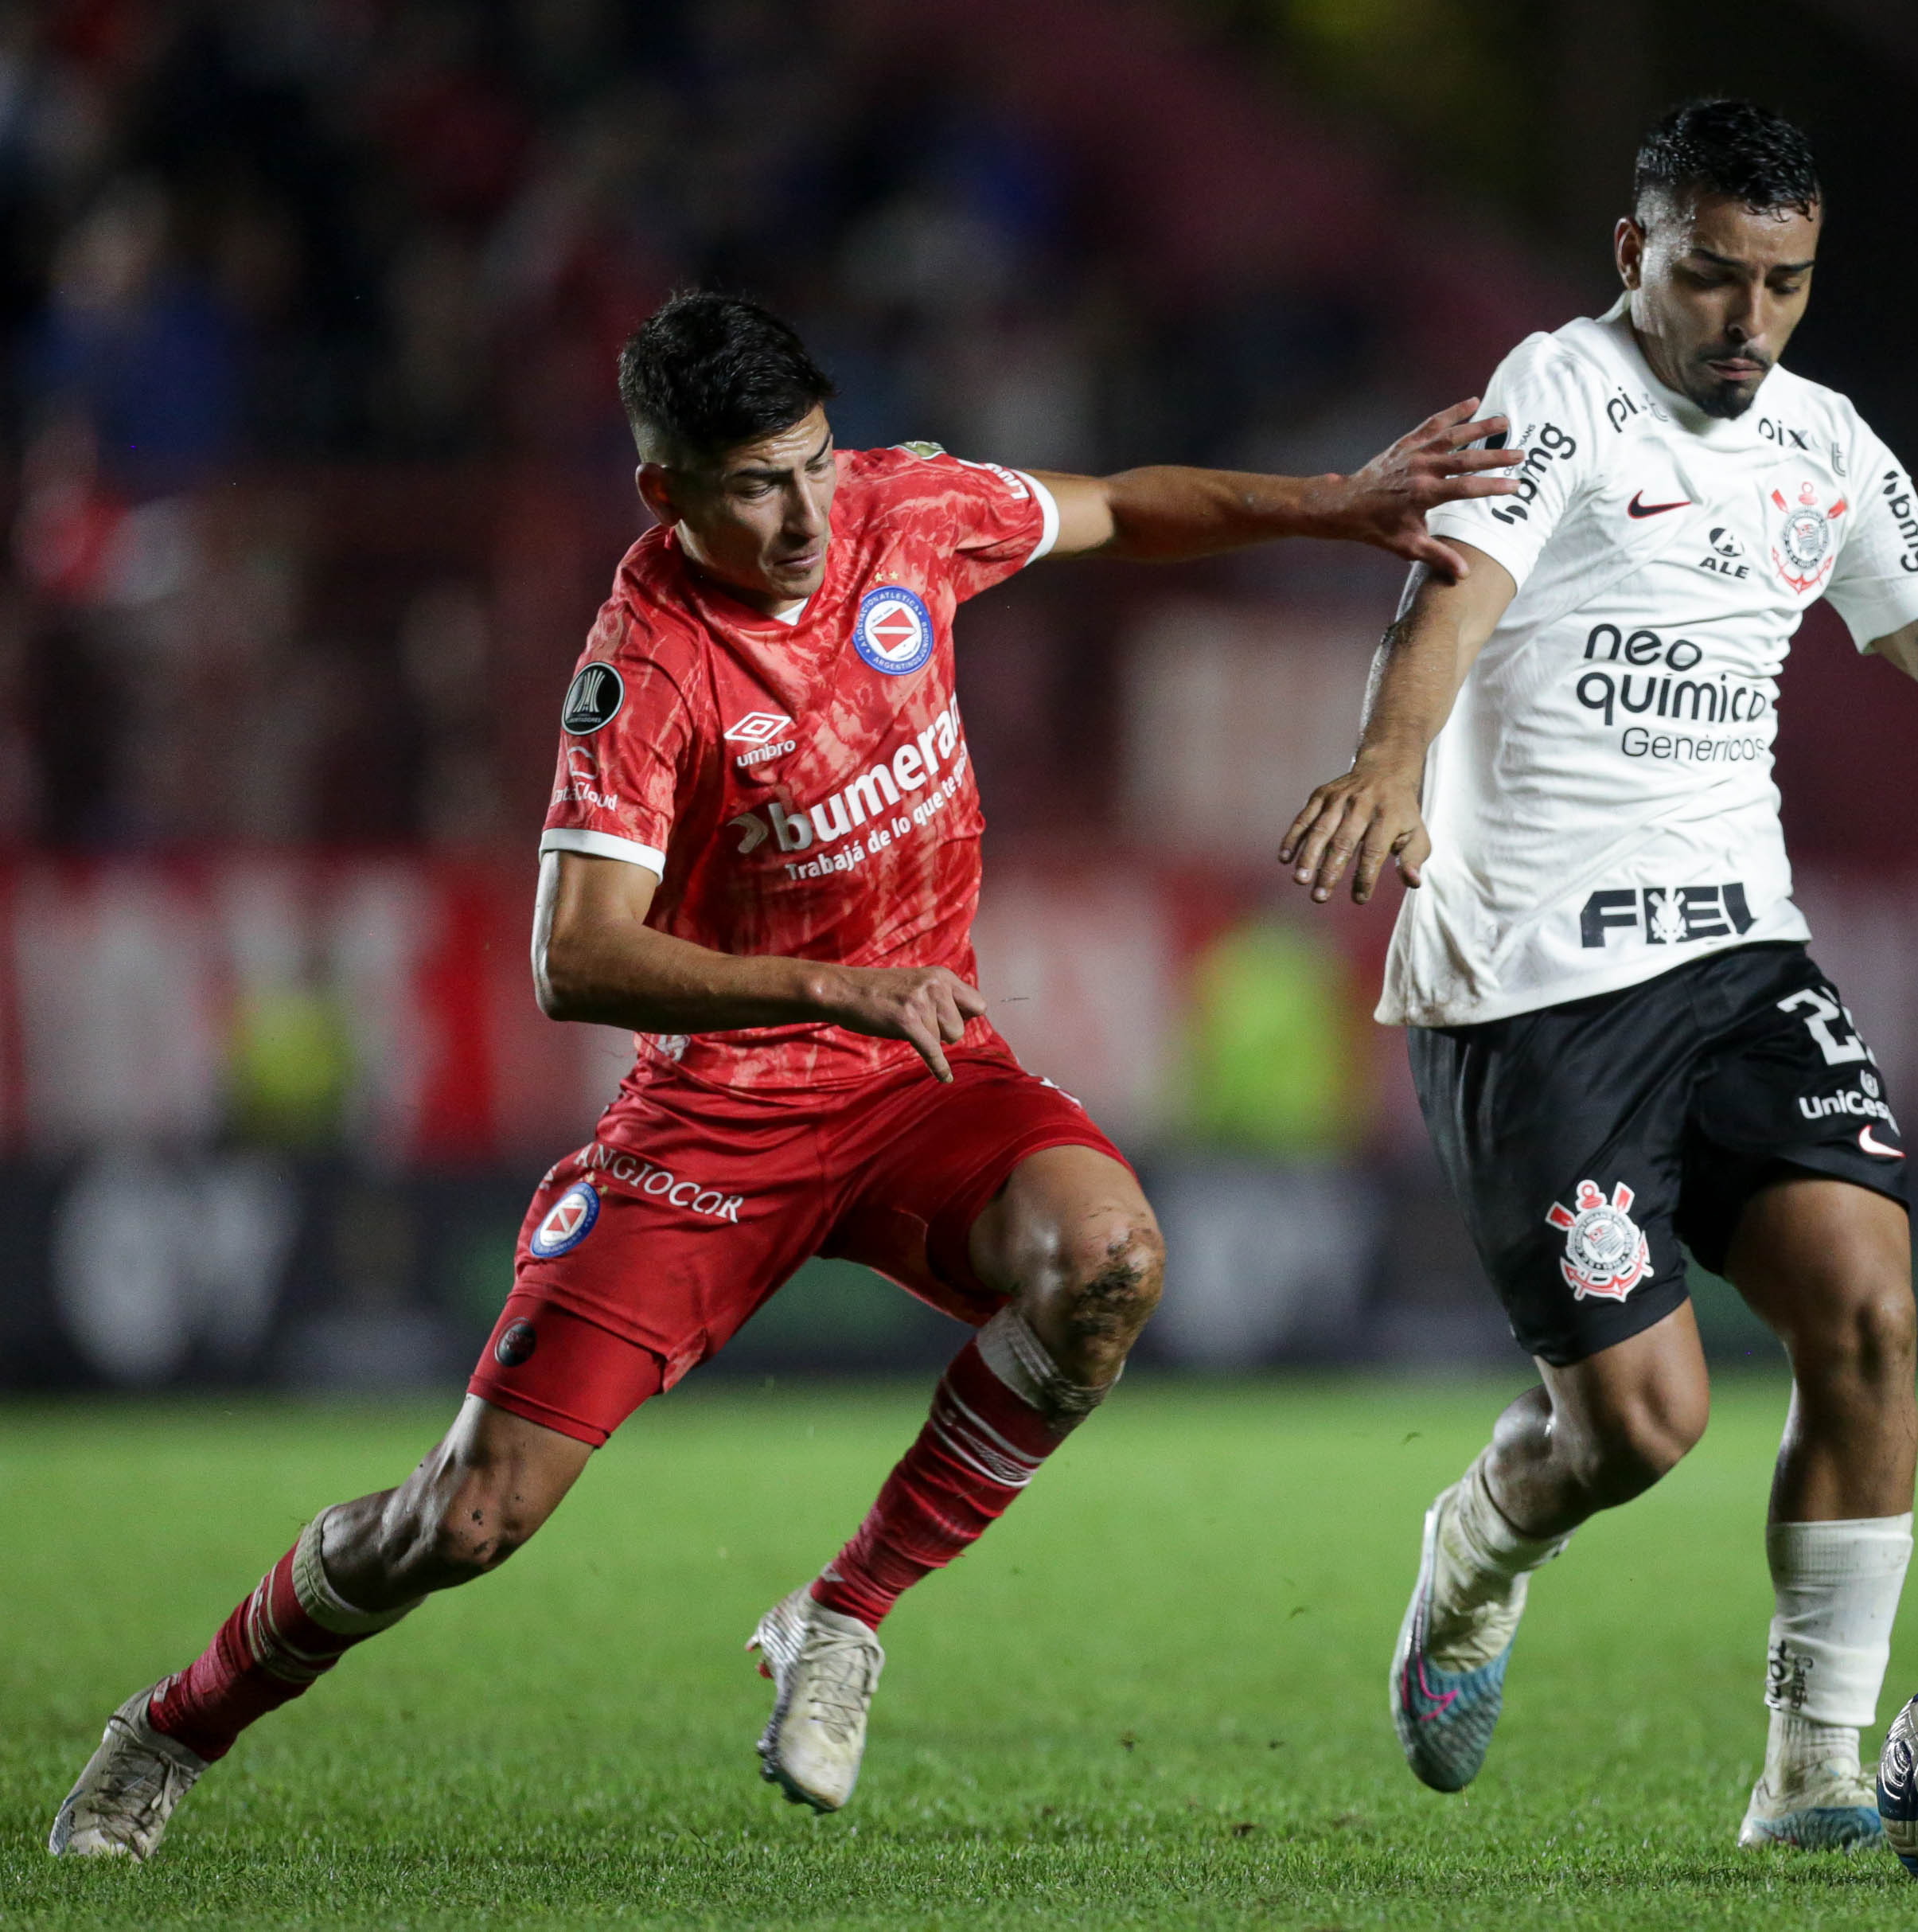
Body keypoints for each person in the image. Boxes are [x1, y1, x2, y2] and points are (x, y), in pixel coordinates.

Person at [49, 291, 1519, 1859]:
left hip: (917, 1074)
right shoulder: (649, 663)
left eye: (815, 463)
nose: (807, 510)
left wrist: (1332, 505)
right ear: (665, 492)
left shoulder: (904, 509)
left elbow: (1112, 508)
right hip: (716, 1118)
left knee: (1109, 1257)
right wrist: (827, 979)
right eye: (756, 482)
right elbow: (574, 953)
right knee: (465, 1518)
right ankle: (172, 1725)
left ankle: (841, 1611)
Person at [1278, 100, 1918, 1850]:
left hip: (1741, 953)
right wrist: (1393, 759)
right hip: (1534, 981)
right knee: (1641, 1427)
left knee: (1870, 1310)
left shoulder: (1829, 446)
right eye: (1711, 276)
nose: (1747, 318)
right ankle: (1478, 1541)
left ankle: (1814, 1767)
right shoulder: (1555, 388)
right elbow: (1450, 595)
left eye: (1784, 282)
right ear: (1637, 256)